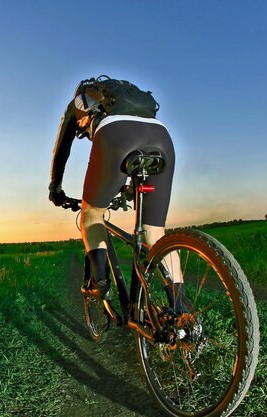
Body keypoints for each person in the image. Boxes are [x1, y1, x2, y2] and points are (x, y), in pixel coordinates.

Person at [48, 76, 184, 305]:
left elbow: (61, 149)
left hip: (116, 135)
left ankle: (101, 282)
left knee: (91, 214)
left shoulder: (77, 103)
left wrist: (55, 188)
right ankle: (180, 309)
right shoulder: (129, 100)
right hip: (162, 138)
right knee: (154, 233)